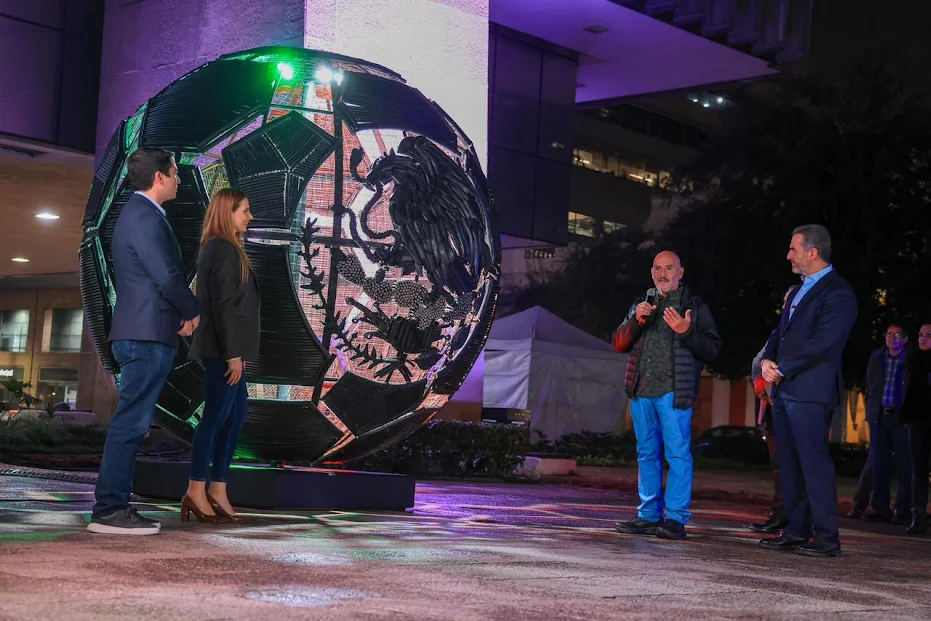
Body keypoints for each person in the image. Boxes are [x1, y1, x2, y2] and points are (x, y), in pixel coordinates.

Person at [88, 148, 201, 535]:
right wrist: (192, 311)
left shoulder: (138, 215)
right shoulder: (144, 217)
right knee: (131, 425)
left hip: (147, 331)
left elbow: (151, 282)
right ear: (159, 178)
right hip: (144, 337)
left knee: (132, 423)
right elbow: (167, 276)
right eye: (174, 173)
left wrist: (174, 320)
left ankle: (112, 507)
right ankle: (109, 511)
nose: (179, 179)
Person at [759, 224, 857, 557]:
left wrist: (783, 368)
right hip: (785, 391)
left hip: (811, 392)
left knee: (814, 465)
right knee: (789, 465)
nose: (788, 255)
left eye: (793, 248)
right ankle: (796, 530)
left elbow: (823, 343)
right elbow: (781, 333)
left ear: (812, 252)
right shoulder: (800, 289)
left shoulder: (838, 292)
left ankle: (827, 538)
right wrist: (767, 361)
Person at [611, 250, 721, 540]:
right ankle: (647, 515)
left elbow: (712, 348)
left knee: (677, 455)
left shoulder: (694, 307)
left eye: (670, 268)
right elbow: (618, 343)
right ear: (651, 273)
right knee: (646, 454)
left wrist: (686, 331)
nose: (663, 274)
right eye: (658, 269)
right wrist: (636, 320)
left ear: (680, 273)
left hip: (674, 393)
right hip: (641, 391)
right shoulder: (642, 305)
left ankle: (675, 518)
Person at [183, 188, 259, 523]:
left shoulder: (224, 249)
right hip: (222, 350)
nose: (250, 216)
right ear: (227, 213)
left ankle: (217, 488)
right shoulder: (223, 250)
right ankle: (196, 490)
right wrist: (233, 355)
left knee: (234, 416)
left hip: (227, 349)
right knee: (216, 417)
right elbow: (226, 308)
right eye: (244, 210)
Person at [747, 287, 795, 535]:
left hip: (797, 408)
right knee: (779, 465)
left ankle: (795, 519)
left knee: (796, 465)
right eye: (786, 302)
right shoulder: (779, 333)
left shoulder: (803, 332)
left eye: (791, 302)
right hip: (775, 410)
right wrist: (761, 387)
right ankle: (780, 515)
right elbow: (758, 361)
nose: (787, 307)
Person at [860, 323, 912, 524]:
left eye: (898, 335)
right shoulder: (877, 357)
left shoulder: (909, 360)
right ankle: (880, 508)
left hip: (901, 418)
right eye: (890, 334)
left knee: (905, 465)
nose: (893, 338)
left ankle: (903, 510)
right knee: (879, 464)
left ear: (905, 339)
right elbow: (870, 383)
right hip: (879, 416)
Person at [901, 323, 931, 534]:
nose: (923, 338)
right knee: (918, 470)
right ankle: (918, 517)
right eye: (920, 334)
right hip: (916, 421)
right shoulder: (913, 361)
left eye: (929, 335)